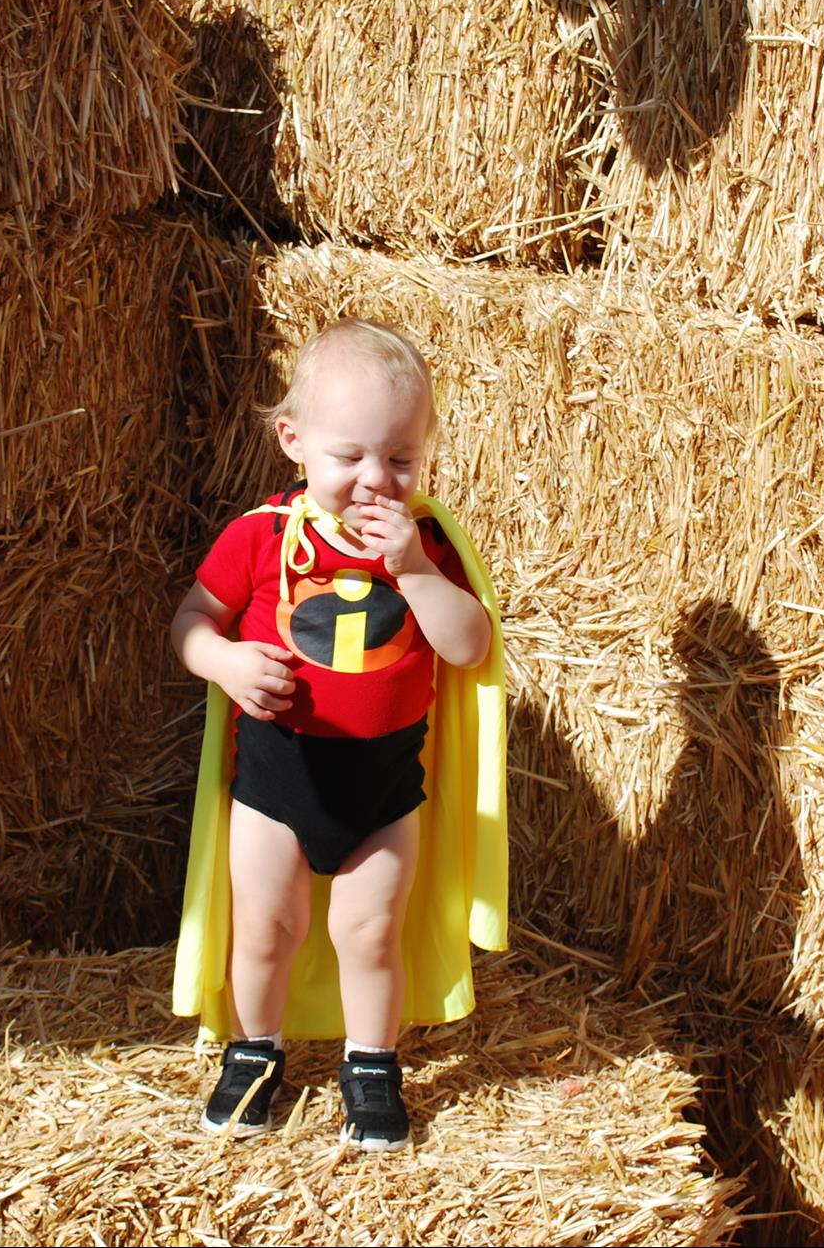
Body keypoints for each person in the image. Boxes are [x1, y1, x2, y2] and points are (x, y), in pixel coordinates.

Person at [170, 319, 499, 1152]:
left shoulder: (425, 546)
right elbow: (190, 622)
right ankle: (254, 1052)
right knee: (266, 925)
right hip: (278, 778)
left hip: (382, 786)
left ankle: (372, 1064)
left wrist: (415, 571)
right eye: (349, 455)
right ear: (294, 441)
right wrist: (224, 662)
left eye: (399, 459)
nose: (374, 480)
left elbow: (469, 646)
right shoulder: (261, 535)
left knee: (369, 931)